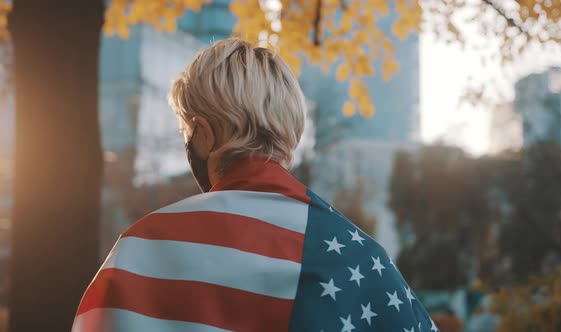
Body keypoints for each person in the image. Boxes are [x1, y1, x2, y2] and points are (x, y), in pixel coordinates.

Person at [72, 39, 435, 332]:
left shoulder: (143, 248)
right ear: (289, 135)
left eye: (187, 130)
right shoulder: (360, 258)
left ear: (203, 133)